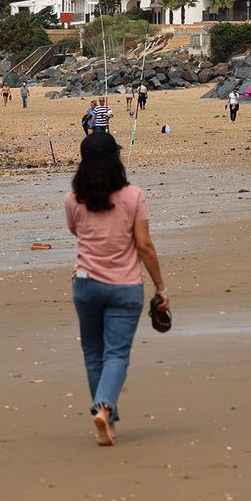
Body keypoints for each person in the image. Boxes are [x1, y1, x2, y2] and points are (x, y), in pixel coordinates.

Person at [64, 130, 168, 447]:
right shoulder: (133, 195)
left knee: (94, 355)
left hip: (85, 284)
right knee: (116, 355)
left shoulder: (73, 198)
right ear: (116, 159)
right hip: (124, 286)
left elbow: (74, 231)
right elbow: (145, 246)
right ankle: (104, 408)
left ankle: (108, 418)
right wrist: (161, 286)